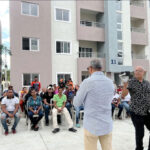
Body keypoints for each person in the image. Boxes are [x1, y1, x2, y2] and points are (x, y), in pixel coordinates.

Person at [73, 59, 114, 150]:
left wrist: (78, 94)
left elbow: (77, 103)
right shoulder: (110, 82)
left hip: (92, 124)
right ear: (101, 68)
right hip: (106, 123)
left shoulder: (87, 82)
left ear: (91, 68)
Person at [122, 66, 150, 150]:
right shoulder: (130, 82)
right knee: (140, 133)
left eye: (139, 71)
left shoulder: (147, 83)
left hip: (146, 111)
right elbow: (123, 94)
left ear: (143, 72)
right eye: (136, 70)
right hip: (136, 111)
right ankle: (139, 148)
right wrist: (125, 84)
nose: (137, 72)